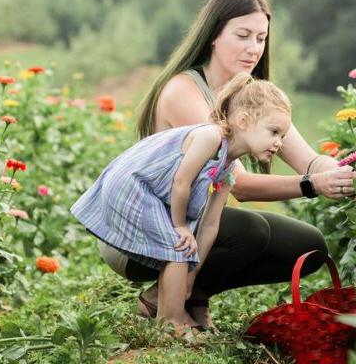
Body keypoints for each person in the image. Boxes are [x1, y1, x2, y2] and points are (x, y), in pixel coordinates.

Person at [98, 0, 356, 329]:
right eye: (242, 35)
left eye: (261, 38)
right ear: (213, 35)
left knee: (307, 244)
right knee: (250, 230)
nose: (253, 48)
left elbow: (310, 162)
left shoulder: (252, 98)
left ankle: (193, 294)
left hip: (191, 223)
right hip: (144, 229)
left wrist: (341, 175)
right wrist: (313, 185)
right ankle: (162, 303)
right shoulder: (184, 90)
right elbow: (241, 184)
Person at [71, 73, 292, 333]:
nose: (279, 143)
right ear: (243, 121)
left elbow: (209, 225)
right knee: (177, 243)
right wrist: (179, 225)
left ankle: (166, 315)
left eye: (283, 136)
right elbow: (181, 181)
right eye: (274, 131)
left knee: (184, 249)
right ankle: (172, 322)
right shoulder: (210, 137)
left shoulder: (229, 168)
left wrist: (192, 274)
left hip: (149, 193)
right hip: (132, 185)